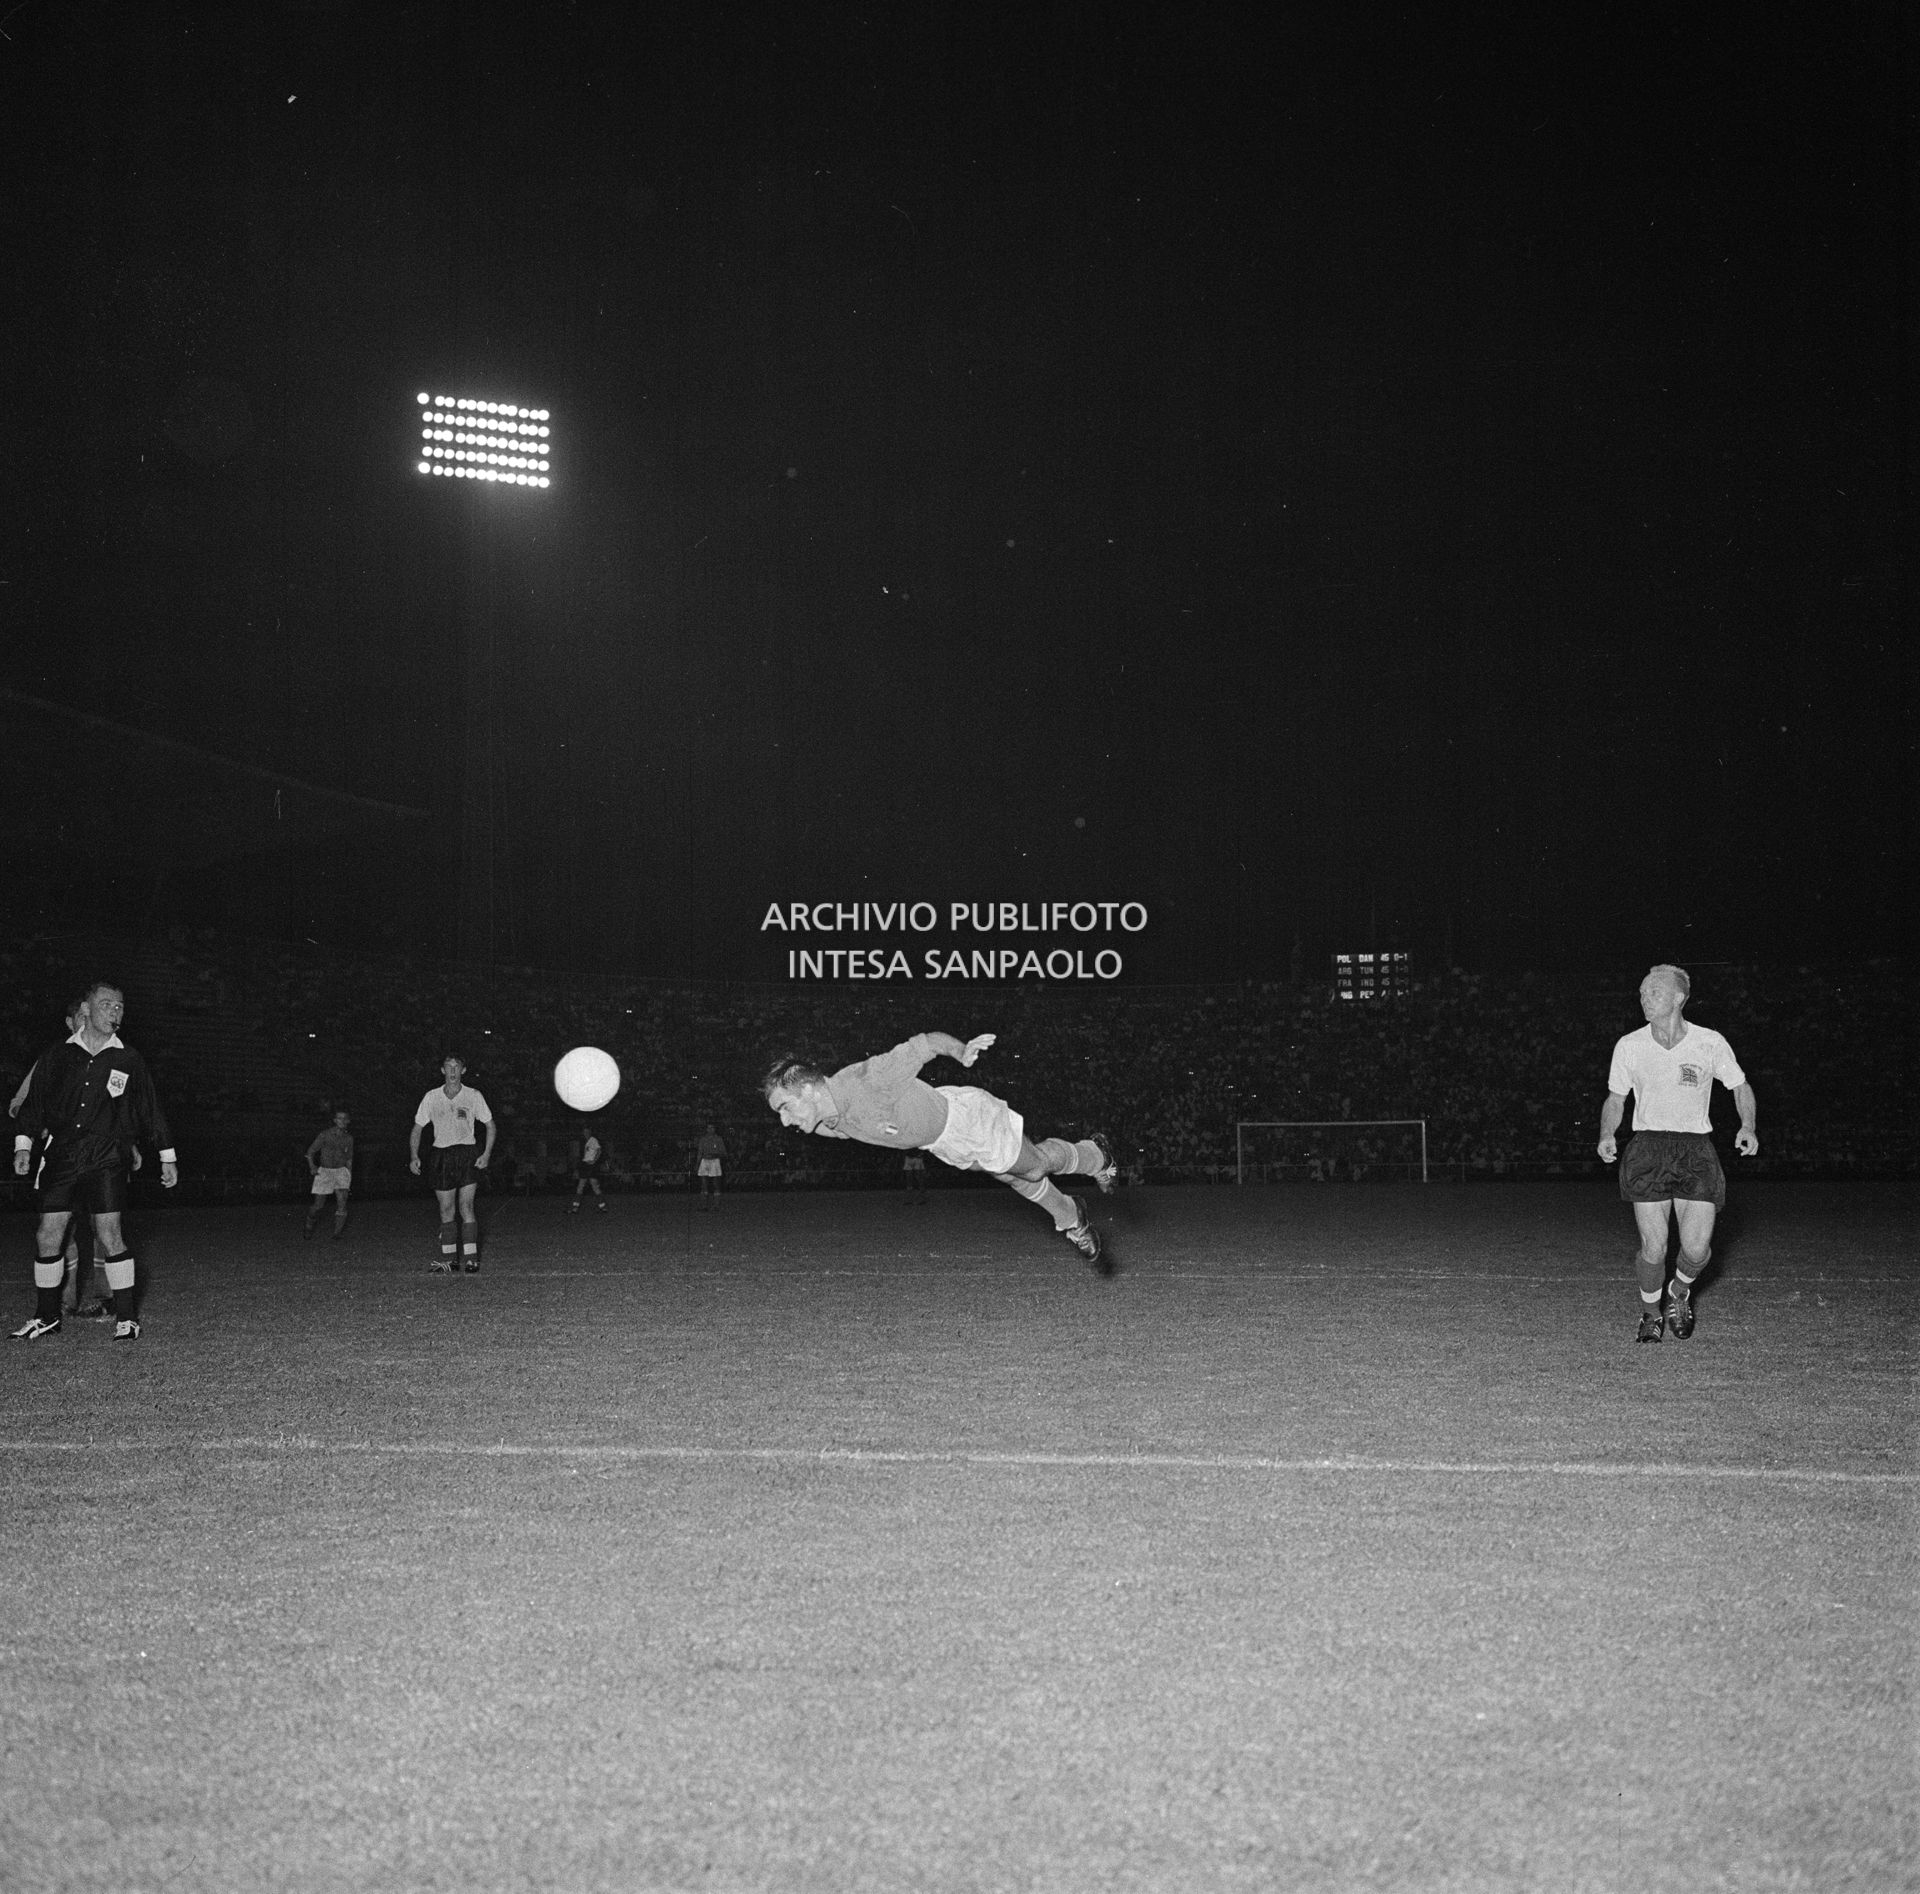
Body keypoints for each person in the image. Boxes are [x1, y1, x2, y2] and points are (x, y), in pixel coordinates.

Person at [763, 1031, 1117, 1271]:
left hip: (965, 1119)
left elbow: (925, 1043)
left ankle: (1094, 1154)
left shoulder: (864, 1081)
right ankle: (1071, 1215)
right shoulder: (831, 1121)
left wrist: (960, 1051)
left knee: (1034, 1167)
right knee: (1010, 1175)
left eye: (784, 1107)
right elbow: (845, 1127)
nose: (784, 1120)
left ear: (808, 1090)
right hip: (943, 1143)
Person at [1598, 964, 1758, 1343]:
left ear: (1678, 998)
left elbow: (1740, 1086)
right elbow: (1615, 1098)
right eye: (1641, 993)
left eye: (1653, 992)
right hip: (1648, 1148)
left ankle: (1679, 1292)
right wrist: (1607, 1132)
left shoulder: (1709, 1042)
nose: (1644, 999)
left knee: (1697, 1248)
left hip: (1695, 1150)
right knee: (1654, 1246)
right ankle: (1650, 1315)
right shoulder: (1629, 1045)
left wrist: (1747, 1125)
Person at [10, 982, 178, 1341]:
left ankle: (127, 1318)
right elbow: (34, 1104)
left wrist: (167, 1156)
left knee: (110, 1234)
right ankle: (46, 1316)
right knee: (48, 1234)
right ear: (85, 1010)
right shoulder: (57, 1055)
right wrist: (23, 1146)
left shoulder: (128, 1058)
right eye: (106, 1005)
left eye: (119, 1007)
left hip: (106, 1157)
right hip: (63, 1156)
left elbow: (150, 1109)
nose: (114, 1013)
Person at [408, 1057, 495, 1272]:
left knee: (466, 1207)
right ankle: (449, 1261)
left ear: (463, 1070)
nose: (453, 1071)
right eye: (449, 1067)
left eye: (457, 1067)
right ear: (442, 1070)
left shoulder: (473, 1095)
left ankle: (472, 1259)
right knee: (446, 1209)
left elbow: (491, 1126)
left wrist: (486, 1154)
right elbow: (417, 1128)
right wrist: (413, 1155)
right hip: (441, 1156)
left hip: (467, 1153)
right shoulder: (432, 1097)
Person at [304, 1110, 355, 1238]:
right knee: (318, 1205)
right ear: (334, 1120)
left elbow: (349, 1158)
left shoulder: (349, 1138)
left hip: (341, 1171)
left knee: (342, 1201)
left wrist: (349, 1174)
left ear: (348, 1121)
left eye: (345, 1118)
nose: (342, 1121)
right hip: (325, 1171)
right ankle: (309, 1223)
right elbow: (310, 1152)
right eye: (339, 1118)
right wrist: (312, 1167)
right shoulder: (324, 1135)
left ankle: (336, 1234)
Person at [570, 1125, 608, 1213]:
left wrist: (594, 1161)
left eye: (587, 1131)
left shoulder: (593, 1140)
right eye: (584, 1132)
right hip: (585, 1165)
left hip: (591, 1166)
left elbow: (599, 1150)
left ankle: (603, 1207)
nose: (585, 1133)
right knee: (580, 1186)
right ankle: (575, 1207)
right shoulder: (585, 1142)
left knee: (595, 1186)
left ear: (590, 1132)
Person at [694, 1123, 726, 1209]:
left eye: (712, 1127)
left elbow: (723, 1153)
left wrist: (715, 1155)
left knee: (716, 1184)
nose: (710, 1129)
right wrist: (697, 1164)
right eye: (708, 1128)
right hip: (704, 1161)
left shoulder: (719, 1139)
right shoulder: (703, 1139)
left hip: (715, 1162)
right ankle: (704, 1206)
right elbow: (700, 1153)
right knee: (704, 1185)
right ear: (706, 1129)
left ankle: (716, 1205)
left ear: (715, 1129)